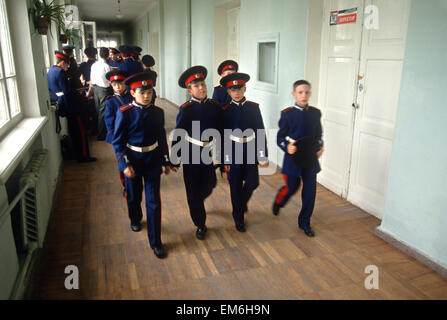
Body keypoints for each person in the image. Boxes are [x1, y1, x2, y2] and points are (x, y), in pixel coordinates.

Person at [111, 72, 175, 259]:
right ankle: (135, 218)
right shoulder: (125, 113)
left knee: (153, 201)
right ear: (132, 93)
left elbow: (161, 138)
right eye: (142, 92)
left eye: (149, 92)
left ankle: (156, 242)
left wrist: (166, 160)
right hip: (133, 160)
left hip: (153, 159)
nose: (146, 96)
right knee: (133, 195)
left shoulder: (158, 112)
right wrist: (124, 164)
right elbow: (117, 142)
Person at [172, 66, 222, 240]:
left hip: (209, 152)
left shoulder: (215, 106)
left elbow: (221, 131)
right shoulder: (186, 109)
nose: (201, 88)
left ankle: (197, 202)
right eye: (196, 86)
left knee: (209, 184)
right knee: (193, 191)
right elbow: (179, 133)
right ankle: (200, 223)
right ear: (189, 90)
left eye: (202, 84)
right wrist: (174, 159)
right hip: (191, 153)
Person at [272, 80, 324, 237]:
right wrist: (286, 146)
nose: (304, 95)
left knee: (310, 192)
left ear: (310, 94)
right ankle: (279, 201)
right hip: (293, 159)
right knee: (292, 188)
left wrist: (320, 147)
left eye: (307, 92)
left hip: (310, 159)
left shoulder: (315, 113)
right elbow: (280, 137)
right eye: (300, 92)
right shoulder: (287, 114)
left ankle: (304, 222)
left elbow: (318, 135)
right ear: (294, 94)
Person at [221, 72, 268, 232]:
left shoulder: (253, 108)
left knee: (253, 182)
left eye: (240, 89)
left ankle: (240, 205)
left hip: (250, 149)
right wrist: (225, 159)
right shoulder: (225, 110)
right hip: (233, 151)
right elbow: (223, 136)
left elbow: (260, 131)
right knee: (235, 186)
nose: (237, 92)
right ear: (228, 92)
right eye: (233, 90)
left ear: (245, 88)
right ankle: (238, 217)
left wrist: (262, 154)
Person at [47, 51, 96, 163]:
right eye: (67, 64)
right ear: (63, 62)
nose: (67, 67)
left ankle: (78, 155)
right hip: (72, 107)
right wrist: (78, 93)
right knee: (80, 132)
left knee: (74, 131)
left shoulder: (51, 71)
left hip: (63, 106)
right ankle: (83, 156)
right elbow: (67, 92)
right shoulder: (60, 73)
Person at [90, 47, 112, 140]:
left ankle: (97, 131)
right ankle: (101, 134)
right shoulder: (106, 66)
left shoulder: (94, 65)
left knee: (98, 110)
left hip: (95, 89)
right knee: (102, 112)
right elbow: (110, 79)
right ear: (107, 56)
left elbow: (91, 78)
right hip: (103, 90)